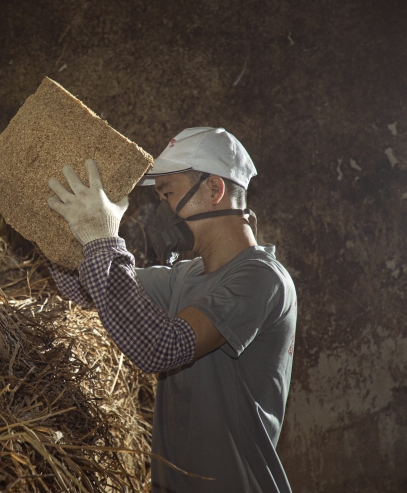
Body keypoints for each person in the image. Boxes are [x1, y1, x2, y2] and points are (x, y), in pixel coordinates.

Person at [46, 127, 297, 492]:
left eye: (168, 193)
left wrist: (102, 239)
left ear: (214, 190)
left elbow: (162, 347)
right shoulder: (186, 276)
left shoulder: (262, 279)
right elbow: (89, 291)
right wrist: (59, 229)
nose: (162, 209)